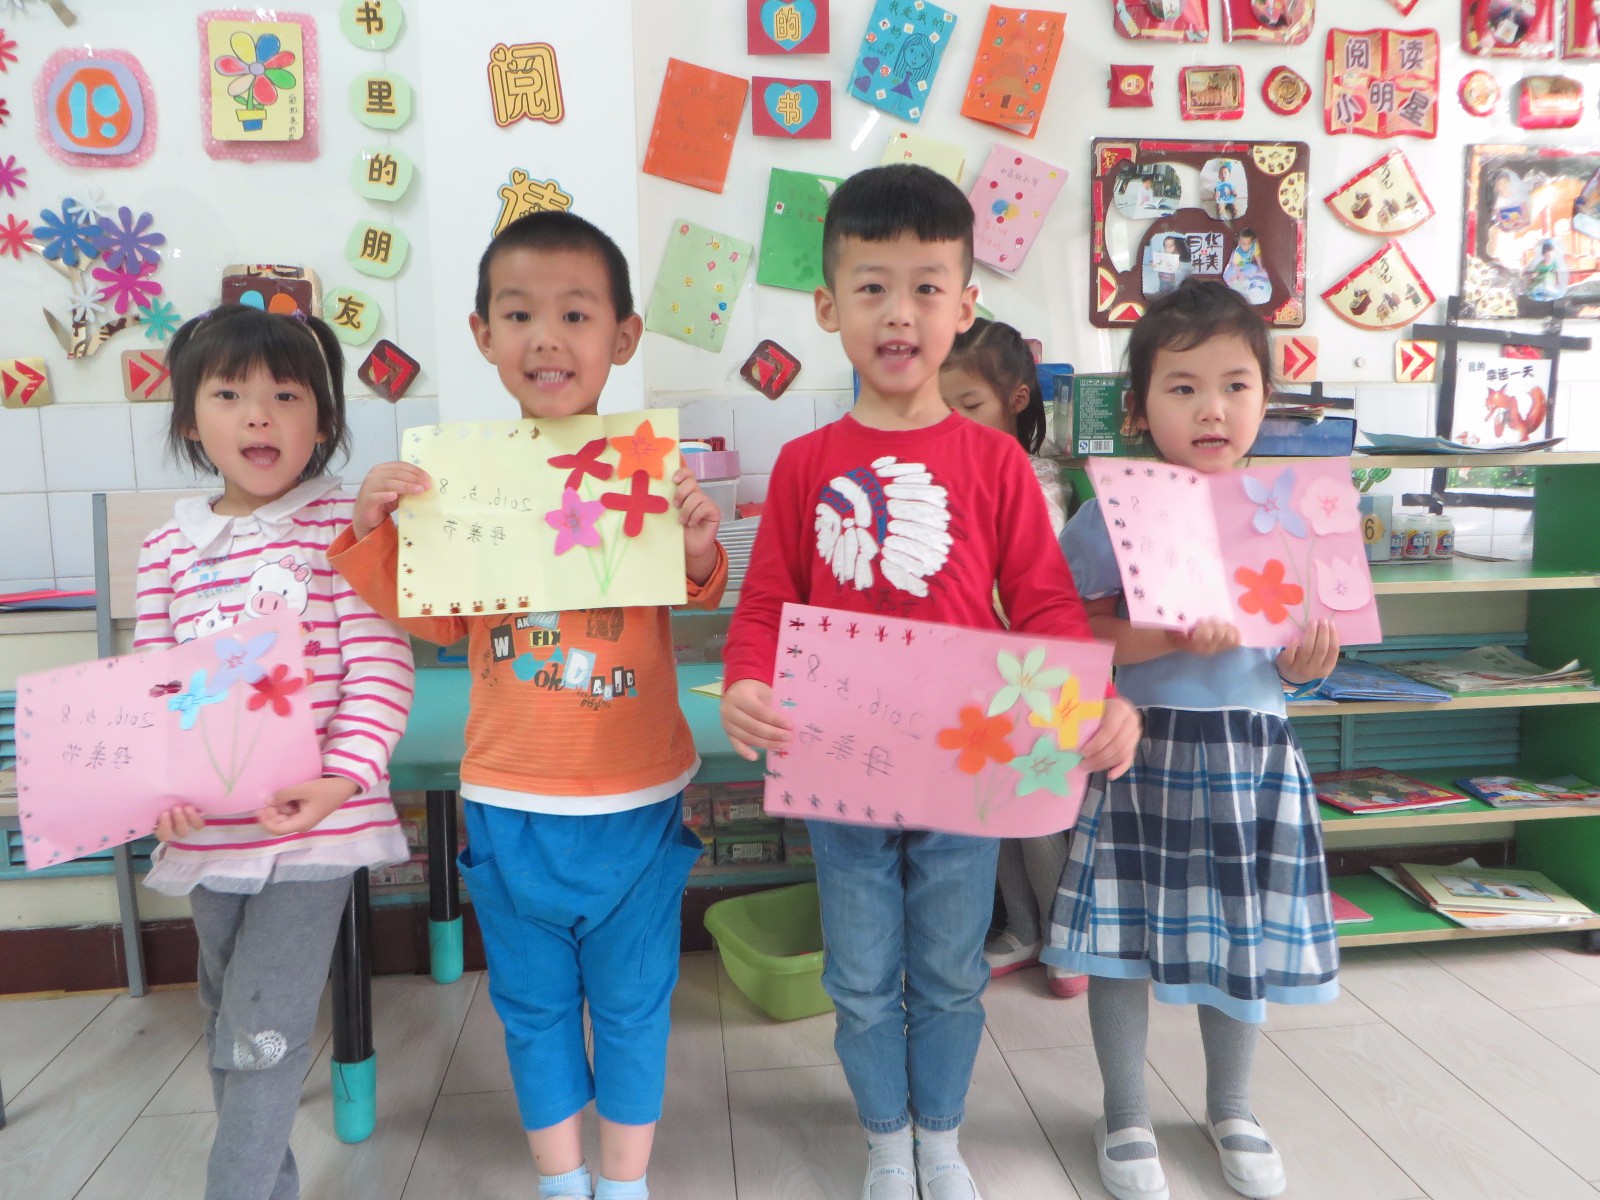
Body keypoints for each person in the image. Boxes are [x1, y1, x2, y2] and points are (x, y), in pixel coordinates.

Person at [719, 163, 1141, 1200]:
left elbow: (1045, 607)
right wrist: (744, 682)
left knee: (951, 971)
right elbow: (766, 604)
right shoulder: (805, 464)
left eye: (924, 287)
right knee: (860, 974)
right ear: (829, 306)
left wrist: (1099, 697)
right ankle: (883, 1136)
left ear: (963, 306)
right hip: (838, 765)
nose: (898, 313)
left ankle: (939, 1136)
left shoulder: (996, 466)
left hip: (965, 768)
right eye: (871, 287)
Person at [330, 211, 727, 1200]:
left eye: (575, 314)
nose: (546, 337)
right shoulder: (461, 486)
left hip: (636, 799)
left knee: (635, 1004)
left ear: (622, 338)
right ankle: (561, 1180)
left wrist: (694, 546)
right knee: (531, 1004)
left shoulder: (646, 471)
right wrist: (376, 530)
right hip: (511, 801)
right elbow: (434, 620)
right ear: (482, 335)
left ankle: (623, 1183)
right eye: (518, 314)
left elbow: (690, 589)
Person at [1044, 279, 1340, 1200]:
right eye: (1182, 387)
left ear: (1266, 396)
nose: (1212, 408)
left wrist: (1304, 665)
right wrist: (1169, 636)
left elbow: (1296, 658)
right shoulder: (1109, 512)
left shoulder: (1293, 510)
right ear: (1139, 409)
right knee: (1119, 941)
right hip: (1141, 750)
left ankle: (1232, 1107)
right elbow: (1072, 637)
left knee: (1238, 934)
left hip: (1252, 753)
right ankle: (1125, 1112)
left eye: (1234, 385)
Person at [137, 304, 415, 1200]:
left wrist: (342, 779)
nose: (259, 415)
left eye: (286, 395)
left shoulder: (346, 526)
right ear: (191, 420)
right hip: (206, 831)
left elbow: (382, 667)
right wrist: (158, 791)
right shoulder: (168, 547)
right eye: (229, 395)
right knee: (228, 1015)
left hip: (312, 828)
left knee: (262, 1027)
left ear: (323, 421)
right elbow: (154, 689)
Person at [938, 318, 1083, 1001]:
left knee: (1040, 816)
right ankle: (1023, 929)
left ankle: (1067, 938)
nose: (954, 421)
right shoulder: (948, 473)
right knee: (987, 807)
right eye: (943, 406)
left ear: (1016, 400)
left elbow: (1038, 587)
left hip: (1035, 674)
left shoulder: (1036, 480)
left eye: (970, 405)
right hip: (974, 674)